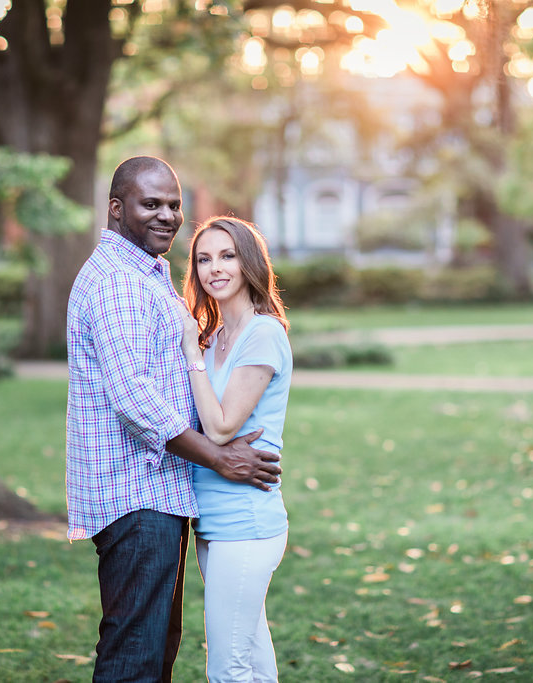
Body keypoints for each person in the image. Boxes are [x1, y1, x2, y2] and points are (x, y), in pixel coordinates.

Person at [65, 156, 282, 683]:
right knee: (136, 655)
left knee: (155, 646)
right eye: (151, 204)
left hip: (157, 493)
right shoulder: (118, 282)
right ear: (117, 209)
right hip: (135, 495)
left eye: (174, 205)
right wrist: (217, 456)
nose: (167, 215)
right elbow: (134, 396)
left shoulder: (144, 274)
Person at [178, 216, 293, 682]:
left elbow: (222, 428)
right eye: (204, 258)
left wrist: (190, 355)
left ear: (249, 262)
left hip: (245, 524)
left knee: (228, 666)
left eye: (227, 255)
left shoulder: (262, 334)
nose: (214, 268)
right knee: (251, 654)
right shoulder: (215, 337)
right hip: (213, 521)